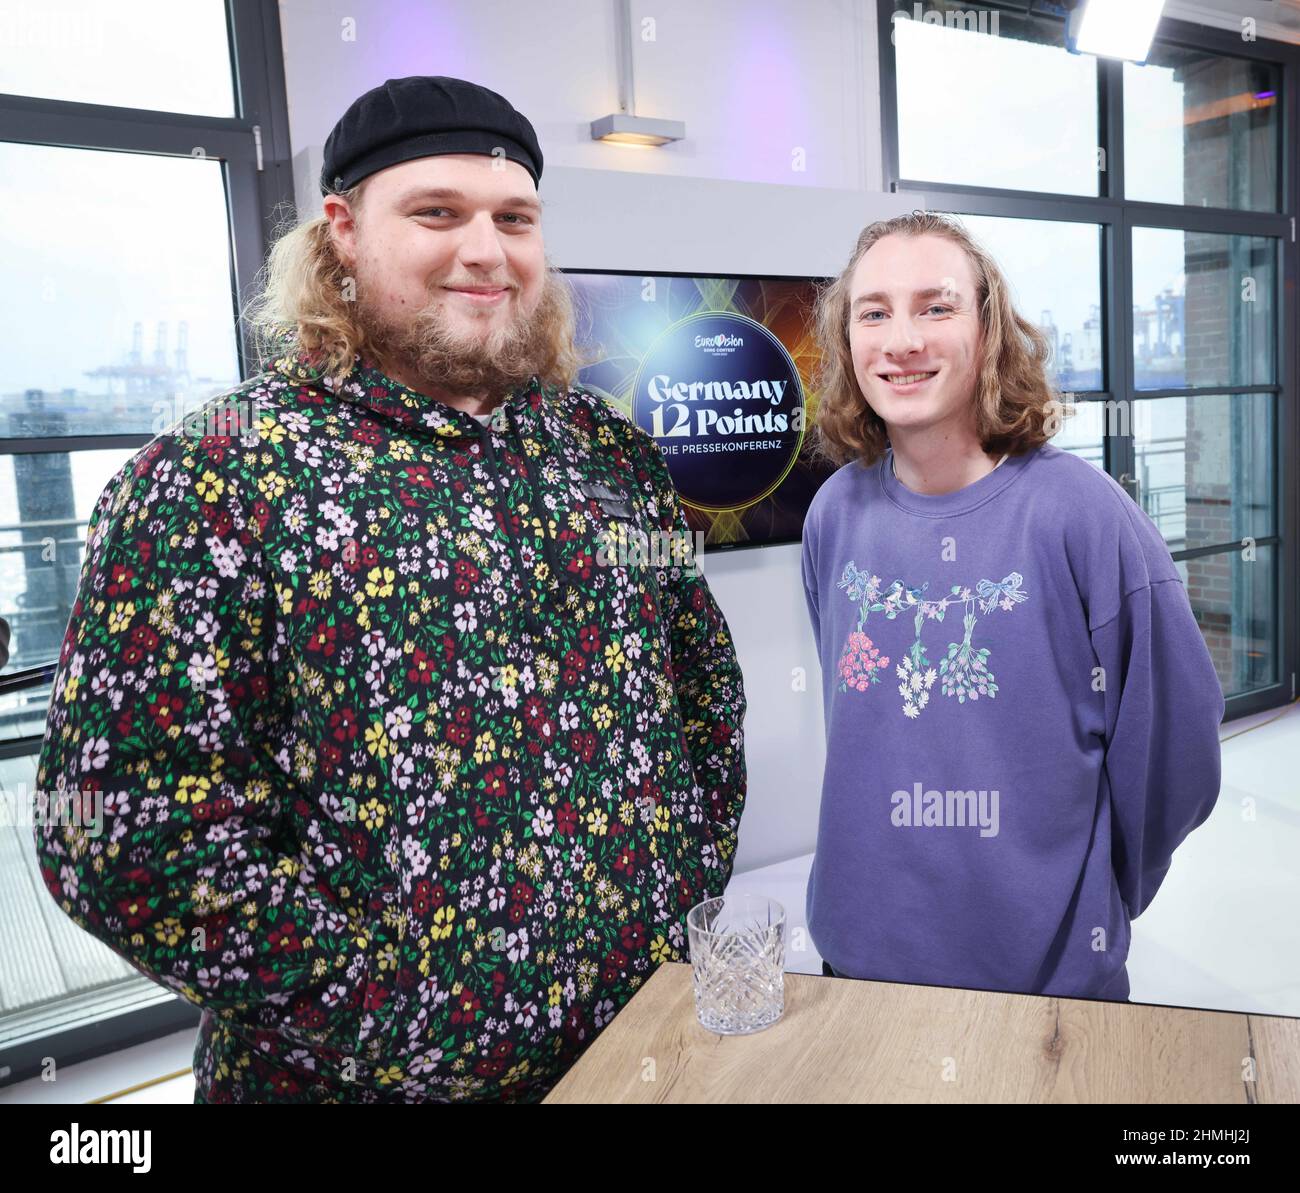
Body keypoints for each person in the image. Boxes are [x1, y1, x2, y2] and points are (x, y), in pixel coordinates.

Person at [34, 75, 747, 1103]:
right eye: (436, 213)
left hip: (639, 1051)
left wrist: (683, 896)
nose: (484, 248)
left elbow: (705, 703)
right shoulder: (219, 475)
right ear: (342, 234)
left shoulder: (606, 455)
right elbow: (122, 830)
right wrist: (395, 1011)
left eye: (514, 218)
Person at [802, 211, 1224, 1001]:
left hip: (1043, 984)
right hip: (854, 964)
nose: (902, 340)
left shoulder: (1084, 516)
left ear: (989, 329)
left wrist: (1094, 888)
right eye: (875, 311)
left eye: (937, 306)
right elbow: (859, 724)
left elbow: (1178, 753)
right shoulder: (833, 512)